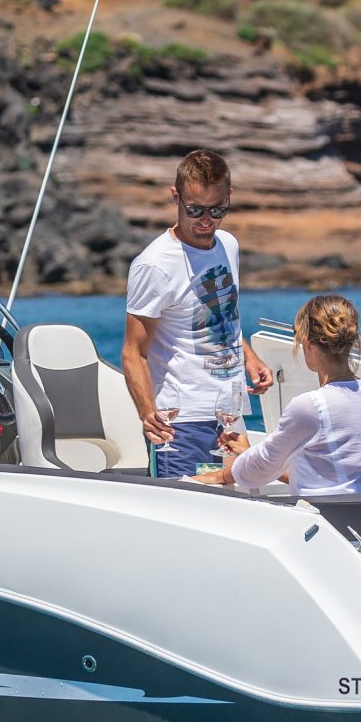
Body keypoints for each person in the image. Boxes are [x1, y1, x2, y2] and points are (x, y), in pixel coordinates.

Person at [123, 148, 272, 480]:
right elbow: (133, 352)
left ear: (229, 196)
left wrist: (250, 359)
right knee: (185, 507)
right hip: (181, 422)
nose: (206, 220)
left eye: (217, 209)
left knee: (237, 506)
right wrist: (147, 413)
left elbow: (221, 318)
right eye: (195, 210)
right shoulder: (154, 265)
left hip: (230, 415)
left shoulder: (228, 245)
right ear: (175, 197)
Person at [205, 294, 361, 495]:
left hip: (321, 512)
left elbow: (258, 471)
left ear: (308, 342)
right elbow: (325, 478)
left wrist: (219, 475)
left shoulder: (311, 405)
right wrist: (249, 454)